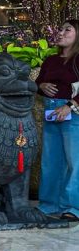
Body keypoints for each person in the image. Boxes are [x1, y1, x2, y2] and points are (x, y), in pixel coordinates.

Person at [36, 19, 79, 221]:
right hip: (51, 111)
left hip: (73, 113)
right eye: (60, 29)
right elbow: (37, 83)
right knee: (50, 161)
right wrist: (42, 85)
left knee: (74, 162)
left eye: (67, 29)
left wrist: (70, 105)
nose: (61, 33)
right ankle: (49, 205)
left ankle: (72, 207)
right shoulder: (50, 61)